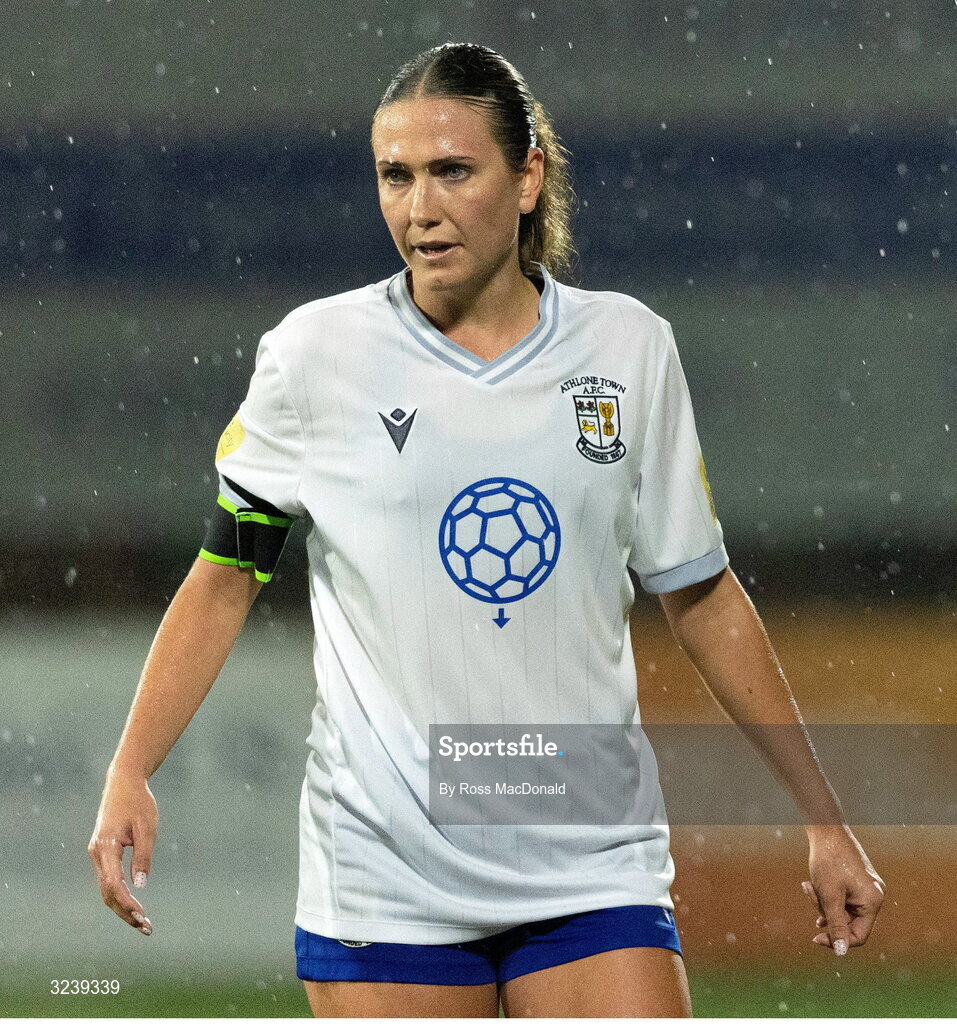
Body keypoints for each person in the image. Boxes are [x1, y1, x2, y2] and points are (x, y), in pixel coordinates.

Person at [88, 42, 885, 1018]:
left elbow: (702, 593)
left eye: (452, 170)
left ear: (528, 176)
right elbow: (223, 578)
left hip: (589, 856)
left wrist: (821, 813)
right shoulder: (314, 357)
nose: (419, 208)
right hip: (385, 876)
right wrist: (131, 767)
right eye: (396, 175)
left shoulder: (628, 349)